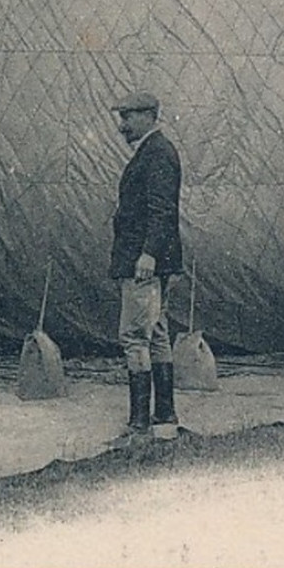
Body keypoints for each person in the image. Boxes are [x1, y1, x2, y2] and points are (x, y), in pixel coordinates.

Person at [108, 90, 184, 442]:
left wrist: (148, 255)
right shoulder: (155, 151)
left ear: (149, 115)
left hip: (145, 262)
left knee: (135, 336)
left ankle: (140, 426)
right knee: (156, 334)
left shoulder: (157, 154)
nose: (122, 125)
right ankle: (164, 420)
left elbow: (163, 210)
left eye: (128, 117)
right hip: (149, 260)